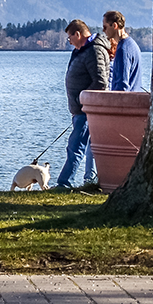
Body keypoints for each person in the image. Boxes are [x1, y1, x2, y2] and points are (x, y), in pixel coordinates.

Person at [55, 20, 110, 190]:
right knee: (76, 145)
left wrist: (82, 99)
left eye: (70, 37)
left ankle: (65, 183)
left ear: (78, 34)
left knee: (76, 146)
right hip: (80, 109)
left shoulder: (94, 51)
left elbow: (101, 82)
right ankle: (68, 181)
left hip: (86, 109)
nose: (69, 41)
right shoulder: (81, 51)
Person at [102, 11, 143, 91]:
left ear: (114, 26)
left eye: (105, 27)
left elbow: (122, 86)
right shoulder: (132, 44)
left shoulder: (123, 50)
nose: (103, 31)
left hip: (126, 102)